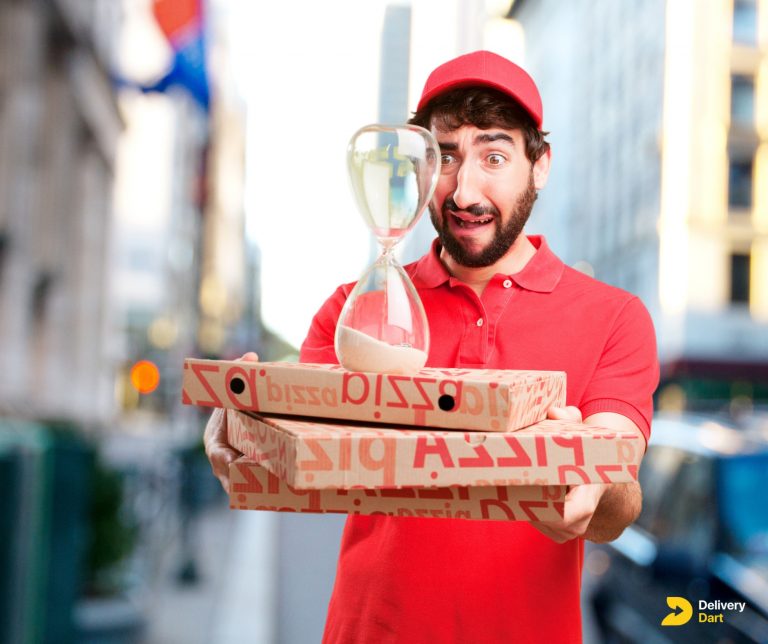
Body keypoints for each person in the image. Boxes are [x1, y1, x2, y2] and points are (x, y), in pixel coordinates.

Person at [205, 50, 659, 644]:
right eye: (445, 157)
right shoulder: (357, 312)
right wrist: (241, 429)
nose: (464, 190)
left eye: (494, 157)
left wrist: (583, 477)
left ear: (540, 166)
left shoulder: (615, 318)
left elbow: (620, 499)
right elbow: (292, 439)